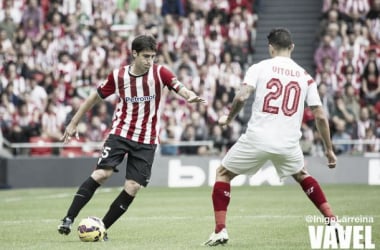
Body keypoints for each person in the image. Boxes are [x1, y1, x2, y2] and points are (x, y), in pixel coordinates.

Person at [57, 35, 206, 238]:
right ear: (134, 54)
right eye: (146, 56)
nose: (149, 61)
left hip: (147, 140)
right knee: (102, 174)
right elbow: (93, 97)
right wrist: (74, 122)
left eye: (153, 56)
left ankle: (102, 228)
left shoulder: (160, 72)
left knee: (133, 186)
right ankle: (69, 218)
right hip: (121, 133)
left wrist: (189, 96)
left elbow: (178, 86)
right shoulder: (118, 76)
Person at [204, 28, 338, 246]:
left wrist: (228, 118)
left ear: (271, 48)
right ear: (292, 47)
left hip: (257, 137)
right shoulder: (306, 77)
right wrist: (329, 149)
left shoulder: (259, 67)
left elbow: (242, 96)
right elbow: (320, 116)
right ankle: (332, 220)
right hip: (288, 142)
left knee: (223, 173)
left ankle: (220, 230)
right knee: (302, 175)